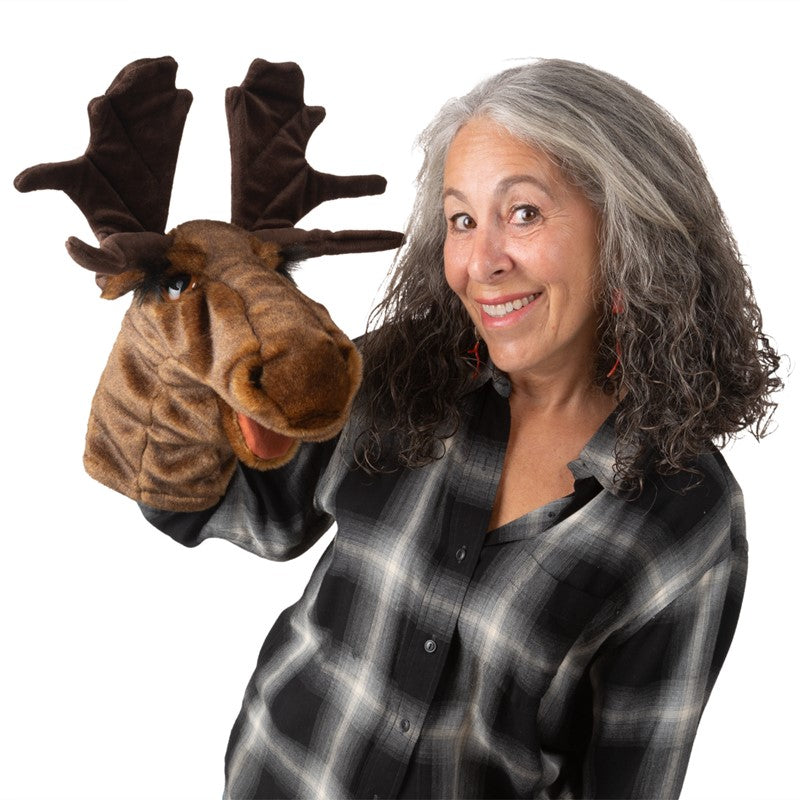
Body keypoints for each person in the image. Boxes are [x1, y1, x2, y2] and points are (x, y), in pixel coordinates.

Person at [142, 59, 781, 799]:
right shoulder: (401, 370)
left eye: (523, 214)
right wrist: (175, 337)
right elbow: (223, 509)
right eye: (461, 220)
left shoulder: (685, 512)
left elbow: (627, 780)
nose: (481, 263)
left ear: (628, 228)